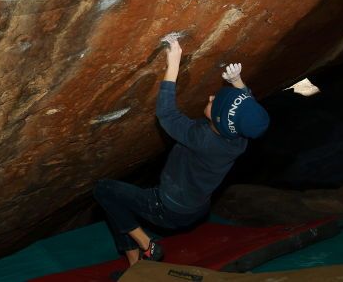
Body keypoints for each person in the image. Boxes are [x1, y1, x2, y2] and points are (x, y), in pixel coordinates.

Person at [93, 35, 270, 266]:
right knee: (117, 206)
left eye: (213, 103)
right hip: (195, 207)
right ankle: (135, 264)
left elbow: (167, 114)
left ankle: (146, 244)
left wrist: (174, 63)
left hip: (168, 208)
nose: (210, 96)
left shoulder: (203, 139)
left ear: (217, 121)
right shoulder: (238, 138)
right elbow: (249, 108)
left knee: (104, 190)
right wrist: (237, 82)